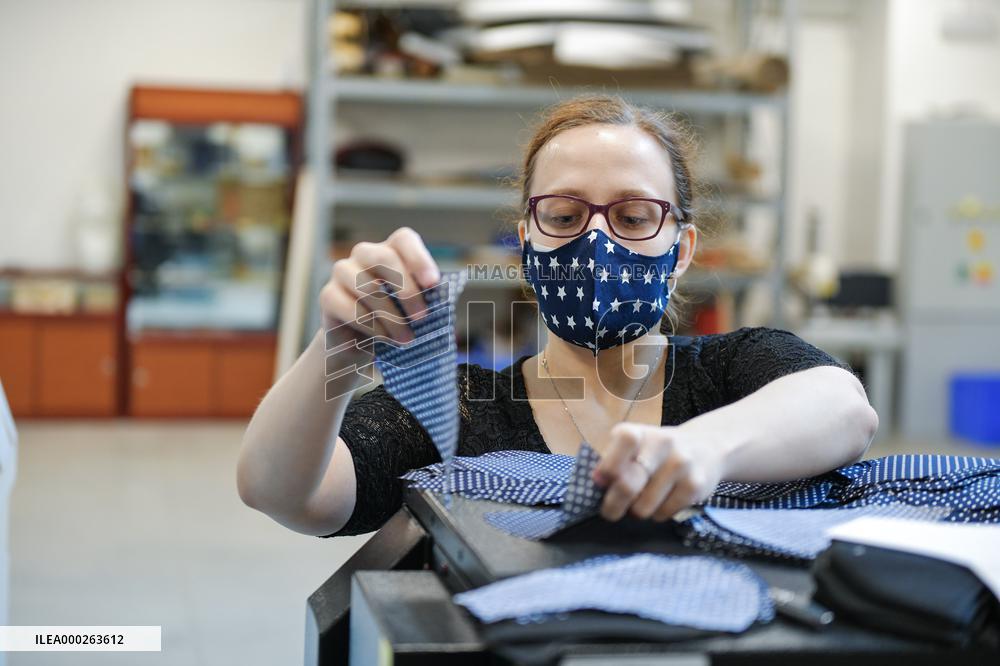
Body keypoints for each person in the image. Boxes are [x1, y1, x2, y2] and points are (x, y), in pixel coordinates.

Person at [236, 94, 878, 538]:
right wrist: (337, 349)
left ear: (680, 251)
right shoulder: (458, 406)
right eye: (565, 218)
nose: (596, 243)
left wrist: (703, 448)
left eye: (632, 217)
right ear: (526, 241)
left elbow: (845, 408)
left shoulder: (732, 369)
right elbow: (281, 491)